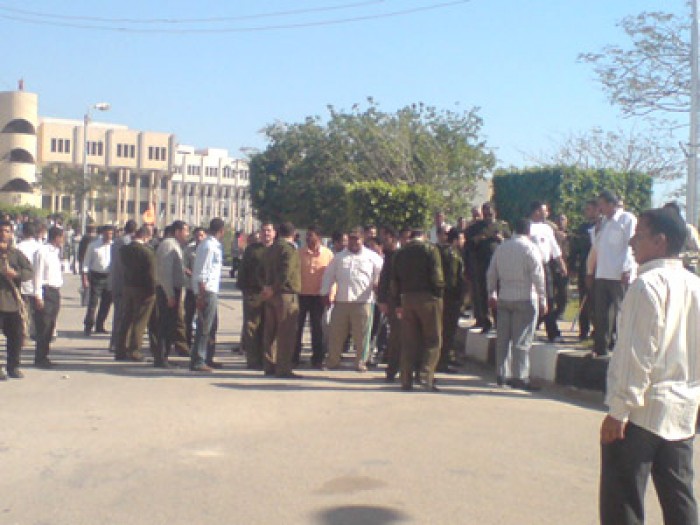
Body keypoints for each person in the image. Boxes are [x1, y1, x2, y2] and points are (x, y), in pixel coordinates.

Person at [599, 207, 700, 525]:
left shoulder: (646, 286)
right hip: (682, 410)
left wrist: (619, 410)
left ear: (660, 241)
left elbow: (636, 355)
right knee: (680, 497)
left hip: (640, 413)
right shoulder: (695, 285)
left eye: (639, 236)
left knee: (622, 501)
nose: (631, 243)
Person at [487, 218, 546, 390]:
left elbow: (491, 272)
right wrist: (543, 298)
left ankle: (501, 374)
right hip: (525, 298)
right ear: (528, 231)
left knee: (503, 339)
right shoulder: (530, 248)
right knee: (521, 340)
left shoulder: (502, 248)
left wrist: (492, 292)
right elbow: (538, 276)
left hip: (504, 297)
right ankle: (520, 376)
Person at [321, 228, 383, 372]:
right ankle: (332, 361)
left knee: (362, 336)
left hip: (363, 302)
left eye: (357, 239)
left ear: (362, 240)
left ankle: (361, 362)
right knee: (336, 334)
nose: (354, 242)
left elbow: (381, 274)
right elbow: (328, 276)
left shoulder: (372, 257)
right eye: (351, 238)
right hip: (341, 302)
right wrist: (324, 293)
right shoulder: (338, 257)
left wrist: (378, 286)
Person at [390, 229, 444, 392]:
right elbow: (437, 276)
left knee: (409, 341)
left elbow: (394, 280)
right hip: (428, 298)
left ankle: (406, 380)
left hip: (406, 298)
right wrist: (439, 294)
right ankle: (425, 375)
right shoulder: (431, 249)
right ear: (424, 237)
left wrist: (397, 301)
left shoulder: (400, 253)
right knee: (433, 339)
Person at [587, 190, 637, 357]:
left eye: (602, 205)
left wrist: (626, 268)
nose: (600, 209)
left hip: (618, 274)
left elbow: (630, 245)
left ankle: (623, 348)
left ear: (611, 204)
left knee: (622, 311)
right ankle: (600, 348)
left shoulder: (627, 219)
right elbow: (596, 247)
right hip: (602, 273)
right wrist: (590, 271)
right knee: (601, 313)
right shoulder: (604, 223)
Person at [261, 221, 302, 378]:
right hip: (285, 294)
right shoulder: (289, 249)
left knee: (270, 332)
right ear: (294, 233)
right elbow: (286, 272)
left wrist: (267, 287)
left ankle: (269, 365)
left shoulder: (272, 248)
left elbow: (264, 269)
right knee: (286, 332)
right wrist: (274, 287)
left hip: (270, 294)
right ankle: (283, 368)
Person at [465, 202, 511, 332]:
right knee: (482, 293)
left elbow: (511, 242)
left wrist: (501, 239)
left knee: (499, 293)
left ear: (495, 212)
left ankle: (499, 321)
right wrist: (478, 239)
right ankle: (484, 321)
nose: (488, 216)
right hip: (481, 264)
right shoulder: (475, 228)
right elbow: (468, 245)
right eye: (485, 214)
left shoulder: (502, 226)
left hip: (499, 264)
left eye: (490, 213)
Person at [116, 226, 157, 363]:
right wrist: (153, 290)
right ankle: (134, 350)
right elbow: (151, 273)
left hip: (128, 286)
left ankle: (120, 349)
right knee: (140, 321)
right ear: (145, 236)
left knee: (126, 318)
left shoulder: (124, 250)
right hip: (144, 289)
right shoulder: (147, 252)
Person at [295, 225, 333, 368]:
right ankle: (294, 357)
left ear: (319, 237)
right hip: (301, 295)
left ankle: (317, 359)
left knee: (317, 328)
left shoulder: (328, 254)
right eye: (307, 235)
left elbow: (332, 276)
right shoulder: (299, 253)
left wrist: (331, 294)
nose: (308, 238)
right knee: (297, 327)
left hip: (319, 297)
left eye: (311, 235)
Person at [529, 201, 567, 343]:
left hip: (545, 267)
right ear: (536, 211)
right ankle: (530, 329)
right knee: (533, 299)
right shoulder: (527, 227)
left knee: (549, 299)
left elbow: (554, 248)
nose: (547, 213)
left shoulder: (547, 228)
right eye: (544, 210)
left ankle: (553, 333)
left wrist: (561, 264)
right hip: (530, 268)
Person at [190, 218, 225, 372]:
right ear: (221, 231)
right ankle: (198, 359)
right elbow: (203, 272)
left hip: (211, 289)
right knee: (204, 327)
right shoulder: (209, 246)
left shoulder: (212, 245)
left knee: (211, 326)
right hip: (207, 290)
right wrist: (201, 295)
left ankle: (207, 357)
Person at [155, 221, 191, 368]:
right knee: (165, 324)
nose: (187, 234)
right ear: (177, 231)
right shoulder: (169, 245)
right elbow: (165, 273)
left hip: (172, 289)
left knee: (170, 325)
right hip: (167, 290)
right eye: (185, 231)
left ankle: (164, 356)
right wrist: (170, 294)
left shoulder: (175, 245)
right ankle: (161, 358)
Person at [0, 221, 33, 379]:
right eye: (1, 231)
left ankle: (13, 366)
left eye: (7, 231)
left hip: (12, 303)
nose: (3, 234)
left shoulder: (16, 254)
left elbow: (29, 271)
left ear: (11, 234)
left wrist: (16, 274)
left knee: (16, 337)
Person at [237, 226, 271, 369]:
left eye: (269, 230)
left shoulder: (277, 249)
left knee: (268, 327)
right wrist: (245, 290)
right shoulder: (252, 250)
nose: (266, 233)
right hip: (254, 292)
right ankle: (253, 360)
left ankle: (267, 359)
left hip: (271, 293)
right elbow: (243, 270)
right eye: (264, 230)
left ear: (274, 233)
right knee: (252, 326)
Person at [32, 226, 64, 369]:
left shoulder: (56, 252)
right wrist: (38, 296)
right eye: (62, 237)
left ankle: (44, 355)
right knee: (43, 326)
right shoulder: (42, 252)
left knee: (50, 326)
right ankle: (39, 358)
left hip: (55, 292)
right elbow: (37, 275)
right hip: (46, 291)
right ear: (56, 237)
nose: (63, 240)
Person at [568, 200, 598, 340]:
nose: (587, 212)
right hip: (585, 267)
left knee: (597, 301)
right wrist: (572, 266)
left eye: (589, 209)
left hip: (600, 267)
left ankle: (597, 329)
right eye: (586, 209)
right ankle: (583, 329)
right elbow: (575, 247)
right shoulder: (582, 228)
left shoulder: (603, 226)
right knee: (584, 299)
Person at [438, 228, 465, 373]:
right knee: (448, 330)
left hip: (442, 297)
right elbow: (453, 279)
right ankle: (442, 361)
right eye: (462, 238)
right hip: (450, 298)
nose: (463, 241)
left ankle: (444, 358)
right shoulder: (452, 255)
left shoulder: (440, 251)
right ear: (456, 240)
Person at [107, 220, 136, 353]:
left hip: (115, 281)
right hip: (125, 283)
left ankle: (114, 342)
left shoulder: (116, 242)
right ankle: (120, 343)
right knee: (124, 315)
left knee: (118, 314)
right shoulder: (129, 243)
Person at [377, 227, 401, 382]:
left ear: (393, 238)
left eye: (385, 239)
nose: (383, 242)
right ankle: (392, 369)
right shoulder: (389, 255)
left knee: (399, 336)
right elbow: (384, 279)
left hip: (401, 301)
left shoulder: (400, 255)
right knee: (395, 336)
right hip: (392, 302)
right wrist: (382, 300)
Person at [82, 225, 114, 336]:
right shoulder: (93, 246)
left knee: (106, 303)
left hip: (109, 277)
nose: (109, 236)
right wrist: (85, 278)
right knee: (93, 303)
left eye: (111, 234)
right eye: (107, 234)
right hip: (96, 276)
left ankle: (100, 325)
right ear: (102, 233)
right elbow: (86, 262)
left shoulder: (113, 246)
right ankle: (88, 325)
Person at [16, 221, 41, 341]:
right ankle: (35, 331)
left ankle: (23, 331)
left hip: (22, 282)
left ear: (23, 232)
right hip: (37, 283)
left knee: (23, 309)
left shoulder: (18, 247)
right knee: (36, 310)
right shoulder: (40, 247)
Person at [183, 227, 207, 347]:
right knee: (189, 316)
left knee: (203, 318)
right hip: (191, 288)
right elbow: (184, 266)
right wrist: (193, 275)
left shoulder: (208, 249)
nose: (199, 238)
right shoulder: (189, 250)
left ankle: (201, 343)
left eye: (201, 235)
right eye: (197, 236)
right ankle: (187, 342)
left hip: (204, 289)